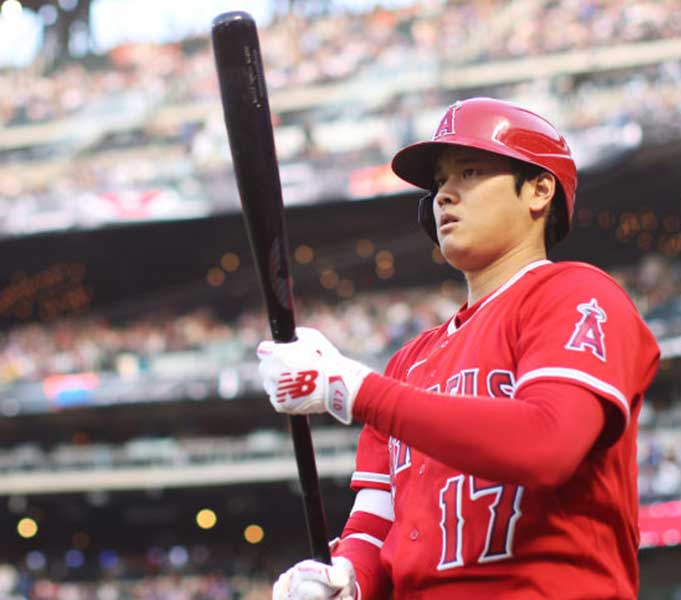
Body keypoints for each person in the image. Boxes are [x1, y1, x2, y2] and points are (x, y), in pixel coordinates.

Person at [258, 97, 660, 600]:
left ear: (538, 190)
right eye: (441, 182)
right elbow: (375, 524)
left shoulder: (575, 294)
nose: (445, 194)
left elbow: (549, 443)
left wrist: (352, 389)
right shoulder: (406, 364)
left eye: (470, 172)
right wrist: (345, 578)